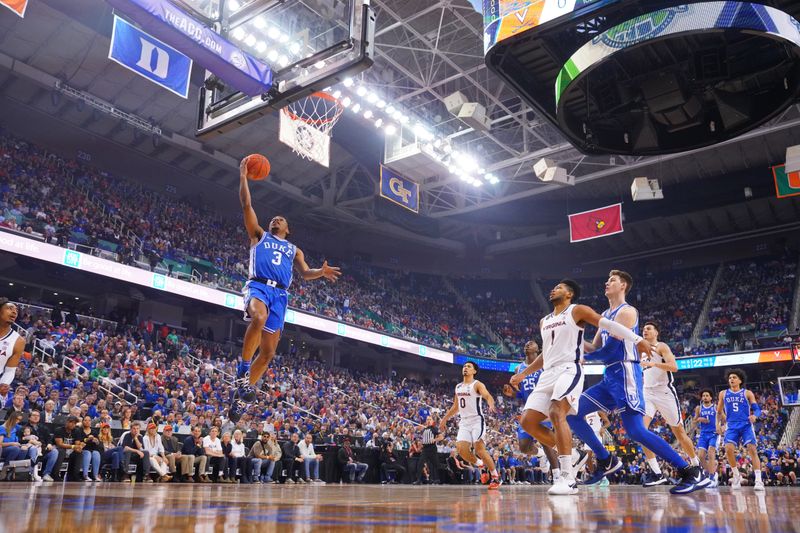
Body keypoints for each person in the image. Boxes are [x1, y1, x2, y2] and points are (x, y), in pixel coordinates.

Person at [562, 271, 708, 494]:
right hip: (609, 374)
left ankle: (689, 471)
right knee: (572, 412)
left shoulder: (627, 312)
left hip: (626, 371)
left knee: (636, 431)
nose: (606, 282)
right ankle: (605, 459)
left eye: (611, 280)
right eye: (607, 279)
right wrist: (573, 342)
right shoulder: (604, 314)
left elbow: (610, 350)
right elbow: (595, 346)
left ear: (623, 286)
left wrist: (585, 357)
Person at [511, 278, 649, 495]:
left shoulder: (578, 310)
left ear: (569, 294)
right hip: (548, 373)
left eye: (559, 287)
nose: (553, 289)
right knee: (528, 423)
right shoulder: (544, 321)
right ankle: (573, 454)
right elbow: (545, 355)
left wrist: (636, 338)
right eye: (553, 286)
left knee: (558, 412)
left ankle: (567, 477)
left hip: (569, 369)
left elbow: (607, 324)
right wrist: (523, 374)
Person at [228, 158, 341, 422]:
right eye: (273, 218)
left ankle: (240, 399)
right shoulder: (259, 235)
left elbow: (305, 273)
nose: (275, 219)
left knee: (268, 353)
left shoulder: (294, 249)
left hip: (280, 295)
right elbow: (246, 204)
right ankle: (242, 373)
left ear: (288, 229)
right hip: (258, 286)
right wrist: (243, 176)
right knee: (258, 317)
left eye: (281, 219)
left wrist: (320, 273)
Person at [639, 322, 703, 487]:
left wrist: (654, 364)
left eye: (649, 328)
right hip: (647, 392)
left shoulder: (662, 347)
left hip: (664, 392)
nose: (645, 330)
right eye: (644, 329)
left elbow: (674, 367)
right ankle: (657, 473)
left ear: (656, 332)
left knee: (679, 432)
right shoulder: (640, 350)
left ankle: (696, 466)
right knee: (640, 431)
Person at [502, 340, 560, 481]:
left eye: (531, 343)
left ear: (538, 349)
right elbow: (523, 393)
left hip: (543, 406)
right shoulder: (518, 369)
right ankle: (540, 453)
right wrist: (513, 394)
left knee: (545, 440)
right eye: (526, 343)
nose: (527, 344)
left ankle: (557, 475)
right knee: (523, 447)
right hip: (529, 407)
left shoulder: (545, 364)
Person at [440, 364, 499, 489]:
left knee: (479, 449)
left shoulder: (477, 384)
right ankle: (481, 465)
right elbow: (456, 407)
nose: (465, 368)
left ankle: (495, 477)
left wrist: (490, 403)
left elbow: (487, 395)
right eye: (464, 366)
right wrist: (444, 419)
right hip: (464, 422)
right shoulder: (458, 387)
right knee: (461, 450)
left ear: (474, 371)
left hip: (477, 420)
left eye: (469, 366)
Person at [717, 368, 764, 491]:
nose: (731, 379)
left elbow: (757, 409)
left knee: (752, 450)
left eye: (734, 377)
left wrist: (755, 415)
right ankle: (736, 475)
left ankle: (759, 480)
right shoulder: (723, 393)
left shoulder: (747, 393)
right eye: (730, 377)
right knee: (728, 450)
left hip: (746, 424)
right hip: (731, 425)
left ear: (740, 380)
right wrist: (719, 424)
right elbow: (719, 411)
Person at [47, 415, 85, 482]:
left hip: (71, 449)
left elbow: (77, 444)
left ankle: (74, 476)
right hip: (58, 449)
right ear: (67, 422)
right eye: (71, 422)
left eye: (74, 423)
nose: (73, 424)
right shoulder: (59, 430)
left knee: (79, 453)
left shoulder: (77, 431)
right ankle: (55, 474)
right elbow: (60, 444)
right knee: (61, 451)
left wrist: (79, 447)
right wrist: (73, 446)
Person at [694, 389, 720, 487]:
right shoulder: (699, 408)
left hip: (713, 433)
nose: (705, 397)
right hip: (703, 434)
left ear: (711, 397)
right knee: (700, 456)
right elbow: (694, 420)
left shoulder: (716, 407)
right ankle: (709, 473)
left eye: (707, 395)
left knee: (710, 452)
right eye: (703, 395)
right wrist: (698, 419)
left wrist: (722, 427)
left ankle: (712, 477)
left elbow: (724, 418)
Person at [0, 299, 23, 395]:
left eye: (16, 310)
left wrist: (4, 384)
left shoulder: (18, 340)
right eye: (10, 308)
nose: (14, 312)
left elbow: (10, 370)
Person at [77, 415, 102, 482]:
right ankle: (85, 475)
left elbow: (98, 443)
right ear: (82, 422)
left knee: (96, 453)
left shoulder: (94, 431)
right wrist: (87, 439)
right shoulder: (79, 430)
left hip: (92, 449)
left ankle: (95, 475)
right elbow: (78, 441)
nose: (87, 422)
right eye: (85, 420)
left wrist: (96, 441)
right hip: (82, 449)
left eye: (89, 420)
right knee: (87, 453)